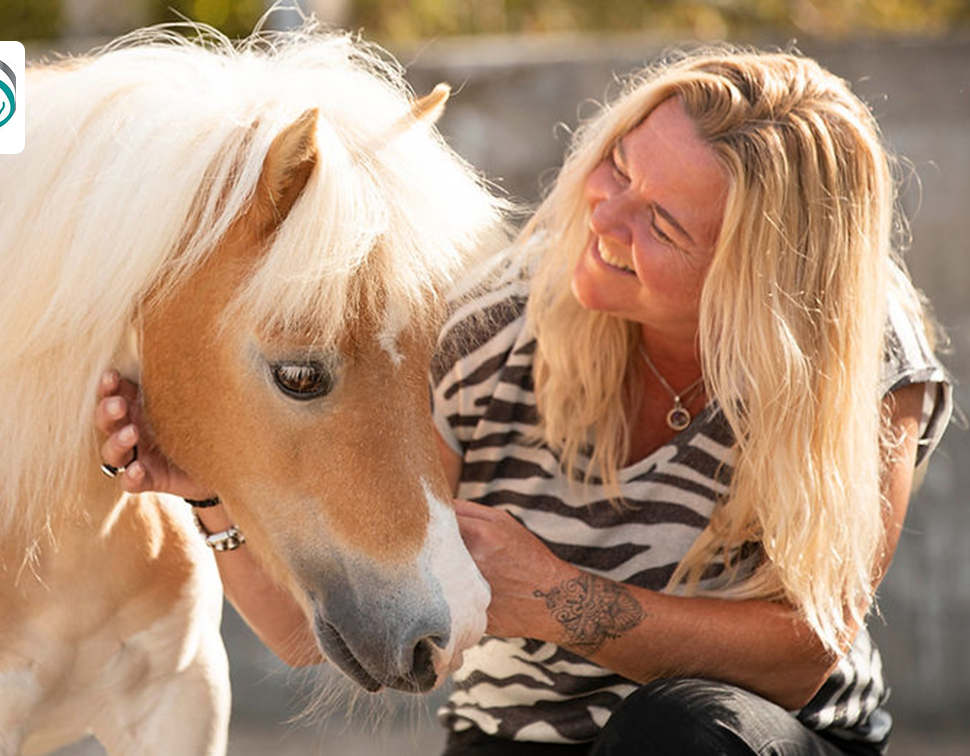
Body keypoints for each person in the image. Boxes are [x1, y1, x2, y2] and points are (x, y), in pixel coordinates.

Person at [95, 46, 953, 755]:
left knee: (682, 733)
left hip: (752, 743)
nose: (604, 214)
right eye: (617, 165)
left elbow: (803, 653)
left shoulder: (861, 356)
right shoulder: (489, 331)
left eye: (661, 224)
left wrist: (550, 595)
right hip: (514, 738)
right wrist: (208, 493)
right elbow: (306, 629)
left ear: (754, 282)